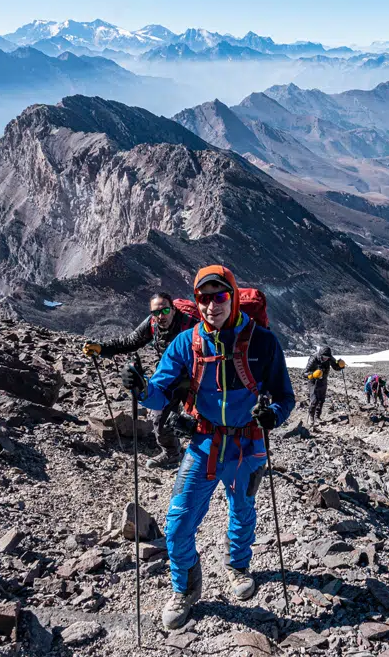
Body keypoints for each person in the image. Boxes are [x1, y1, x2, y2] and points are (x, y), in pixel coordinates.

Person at [120, 265, 295, 631]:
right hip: (205, 441)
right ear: (196, 302)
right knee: (177, 522)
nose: (212, 305)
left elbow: (284, 396)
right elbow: (159, 393)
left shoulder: (263, 341)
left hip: (249, 442)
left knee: (243, 509)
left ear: (232, 296)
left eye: (219, 296)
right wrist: (139, 388)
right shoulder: (187, 343)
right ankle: (185, 588)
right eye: (204, 298)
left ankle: (237, 566)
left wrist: (272, 416)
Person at [82, 292, 198, 468]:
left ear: (173, 309)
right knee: (159, 418)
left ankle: (209, 459)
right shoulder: (152, 324)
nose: (161, 316)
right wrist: (102, 348)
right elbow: (131, 341)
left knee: (201, 419)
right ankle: (172, 454)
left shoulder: (192, 326)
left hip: (196, 378)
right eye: (156, 312)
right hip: (170, 377)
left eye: (165, 310)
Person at [302, 345, 345, 428]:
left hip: (323, 380)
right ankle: (311, 417)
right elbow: (304, 373)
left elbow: (335, 367)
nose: (326, 359)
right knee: (314, 399)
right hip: (313, 381)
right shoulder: (313, 358)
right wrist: (312, 375)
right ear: (320, 355)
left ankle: (317, 417)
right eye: (324, 357)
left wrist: (340, 365)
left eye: (327, 357)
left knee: (321, 399)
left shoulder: (329, 357)